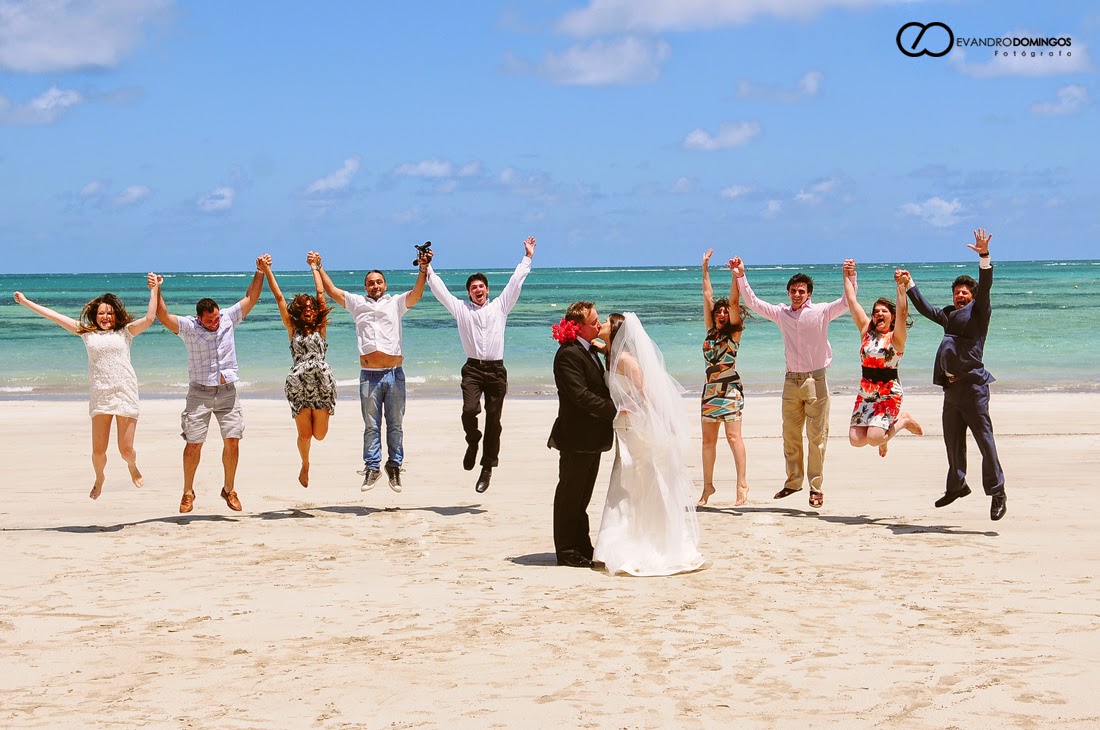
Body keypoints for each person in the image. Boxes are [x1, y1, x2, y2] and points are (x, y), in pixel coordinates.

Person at [14, 276, 160, 499]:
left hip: (125, 392)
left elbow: (150, 318)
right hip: (101, 395)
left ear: (116, 315)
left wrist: (154, 289)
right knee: (98, 451)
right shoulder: (86, 332)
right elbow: (54, 316)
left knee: (126, 450)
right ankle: (100, 478)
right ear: (95, 315)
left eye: (109, 313)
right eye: (101, 313)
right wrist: (26, 302)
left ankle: (132, 466)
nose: (105, 317)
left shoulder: (126, 332)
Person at [898, 228, 1006, 521]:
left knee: (985, 441)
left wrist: (984, 257)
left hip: (974, 388)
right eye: (957, 292)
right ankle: (957, 485)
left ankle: (997, 491)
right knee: (953, 441)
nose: (960, 295)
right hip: (952, 389)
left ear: (973, 297)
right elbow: (925, 309)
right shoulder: (948, 316)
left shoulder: (979, 312)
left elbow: (986, 286)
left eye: (965, 292)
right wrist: (910, 284)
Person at [594, 313, 706, 576]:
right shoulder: (611, 353)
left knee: (638, 477)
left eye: (607, 322)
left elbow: (645, 391)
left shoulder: (625, 359)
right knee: (626, 477)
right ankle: (616, 541)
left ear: (616, 330)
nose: (602, 323)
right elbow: (597, 346)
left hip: (636, 427)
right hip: (624, 428)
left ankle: (644, 540)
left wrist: (663, 419)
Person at [737, 257, 854, 509]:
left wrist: (849, 274)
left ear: (809, 294)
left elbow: (847, 302)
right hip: (791, 381)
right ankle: (793, 481)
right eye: (793, 290)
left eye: (801, 291)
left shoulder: (822, 311)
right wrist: (741, 275)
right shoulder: (782, 314)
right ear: (788, 292)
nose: (797, 294)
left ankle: (816, 487)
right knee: (790, 435)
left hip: (816, 380)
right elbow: (753, 303)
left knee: (816, 437)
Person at [154, 258, 265, 513]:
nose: (214, 324)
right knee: (194, 443)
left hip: (227, 392)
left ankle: (229, 489)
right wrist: (157, 289)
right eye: (209, 321)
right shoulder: (189, 328)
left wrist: (260, 271)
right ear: (199, 318)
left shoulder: (227, 318)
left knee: (233, 440)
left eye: (216, 319)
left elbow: (251, 297)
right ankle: (188, 491)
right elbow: (163, 316)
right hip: (200, 393)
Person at [315, 249, 431, 493]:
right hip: (369, 376)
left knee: (395, 424)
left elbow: (417, 294)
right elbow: (332, 291)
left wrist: (423, 268)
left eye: (379, 282)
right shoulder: (358, 304)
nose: (375, 286)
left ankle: (394, 467)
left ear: (385, 285)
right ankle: (372, 468)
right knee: (371, 425)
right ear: (365, 287)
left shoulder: (396, 303)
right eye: (371, 283)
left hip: (394, 373)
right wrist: (318, 266)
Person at [426, 236, 536, 493]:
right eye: (473, 287)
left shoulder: (500, 306)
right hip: (473, 370)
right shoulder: (461, 309)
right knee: (469, 410)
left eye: (481, 286)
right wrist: (427, 267)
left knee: (494, 421)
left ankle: (487, 467)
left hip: (496, 370)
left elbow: (515, 283)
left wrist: (528, 257)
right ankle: (473, 440)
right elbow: (440, 290)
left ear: (487, 290)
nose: (478, 290)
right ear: (469, 292)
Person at [548, 301, 617, 568]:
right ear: (578, 327)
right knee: (570, 495)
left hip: (592, 437)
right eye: (593, 322)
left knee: (582, 497)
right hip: (575, 437)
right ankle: (566, 550)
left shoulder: (587, 349)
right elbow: (580, 395)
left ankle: (582, 545)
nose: (598, 324)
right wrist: (615, 411)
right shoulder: (568, 354)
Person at [259, 252, 337, 488]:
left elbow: (321, 294)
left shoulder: (321, 329)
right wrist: (267, 270)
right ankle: (305, 464)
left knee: (320, 435)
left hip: (322, 385)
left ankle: (307, 457)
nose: (309, 310)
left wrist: (315, 267)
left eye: (312, 308)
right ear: (299, 311)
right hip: (298, 385)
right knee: (304, 435)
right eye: (305, 308)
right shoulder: (293, 329)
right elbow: (279, 297)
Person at [843, 261, 923, 457]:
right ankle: (883, 436)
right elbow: (852, 301)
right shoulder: (866, 332)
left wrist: (901, 286)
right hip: (866, 392)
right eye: (876, 311)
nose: (879, 313)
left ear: (891, 317)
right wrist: (847, 273)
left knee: (874, 438)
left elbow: (903, 313)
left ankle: (903, 420)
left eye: (884, 311)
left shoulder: (896, 338)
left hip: (889, 393)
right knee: (856, 440)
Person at [697, 249, 749, 507]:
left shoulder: (734, 334)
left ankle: (742, 484)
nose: (721, 314)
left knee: (733, 437)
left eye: (724, 312)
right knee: (708, 441)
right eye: (718, 311)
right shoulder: (710, 331)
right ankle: (708, 486)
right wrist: (705, 268)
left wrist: (735, 276)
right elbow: (707, 295)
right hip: (710, 391)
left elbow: (735, 302)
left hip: (729, 390)